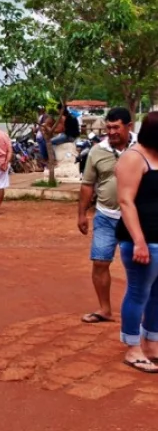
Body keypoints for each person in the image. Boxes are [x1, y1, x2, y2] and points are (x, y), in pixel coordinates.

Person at [78, 107, 134, 324]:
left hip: (136, 218)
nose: (111, 132)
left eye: (116, 127)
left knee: (142, 266)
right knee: (100, 262)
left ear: (129, 126)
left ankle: (145, 314)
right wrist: (82, 214)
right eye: (108, 127)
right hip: (106, 216)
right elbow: (87, 185)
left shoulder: (143, 147)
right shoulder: (96, 151)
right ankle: (104, 309)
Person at [114, 112, 158, 373]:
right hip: (141, 240)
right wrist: (139, 241)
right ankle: (133, 348)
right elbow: (125, 201)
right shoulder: (133, 157)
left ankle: (152, 343)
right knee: (139, 292)